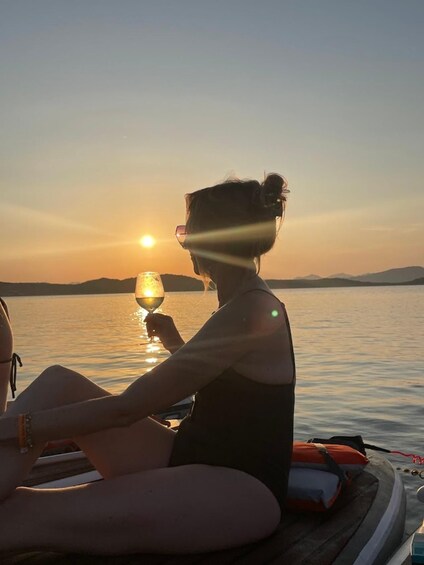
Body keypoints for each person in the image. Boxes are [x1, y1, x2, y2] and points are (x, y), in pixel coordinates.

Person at [0, 173, 295, 556]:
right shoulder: (241, 302)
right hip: (189, 455)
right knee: (59, 382)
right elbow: (229, 386)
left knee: (19, 515)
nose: (185, 245)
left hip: (240, 489)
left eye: (188, 233)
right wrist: (175, 344)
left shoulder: (252, 309)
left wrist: (16, 428)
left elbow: (128, 408)